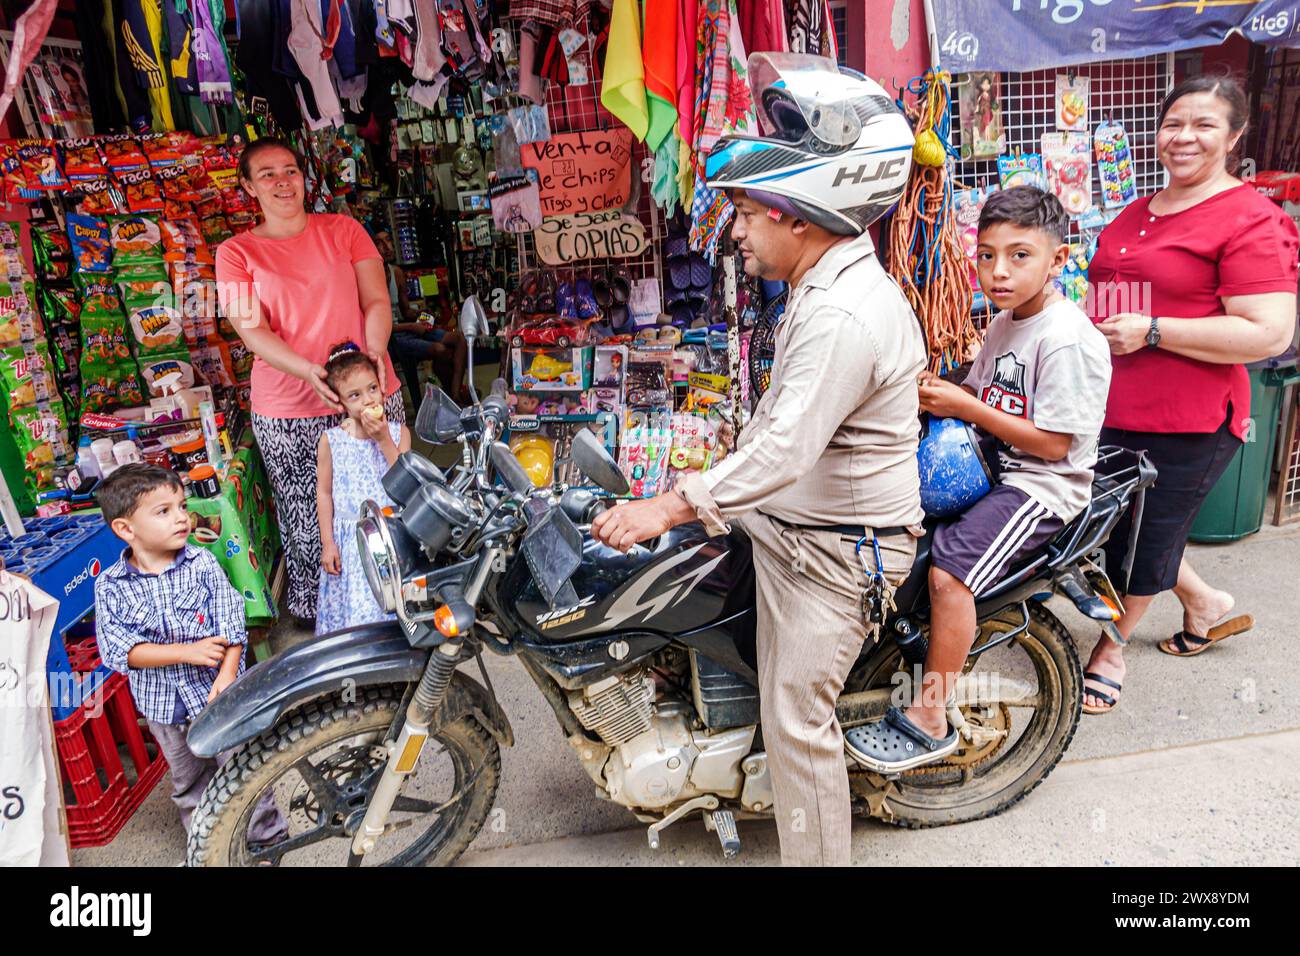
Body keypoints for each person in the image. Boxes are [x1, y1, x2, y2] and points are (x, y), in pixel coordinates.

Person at [592, 52, 918, 866]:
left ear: (801, 215)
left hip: (831, 554)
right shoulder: (817, 286)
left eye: (745, 212)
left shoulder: (841, 311)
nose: (734, 231)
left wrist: (666, 505)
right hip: (784, 525)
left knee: (796, 724)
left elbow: (783, 446)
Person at [845, 187, 1112, 769]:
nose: (999, 271)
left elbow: (1055, 444)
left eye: (1020, 256)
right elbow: (977, 390)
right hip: (986, 465)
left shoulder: (1065, 337)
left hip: (1039, 485)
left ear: (1058, 261)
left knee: (948, 577)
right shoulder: (1006, 322)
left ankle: (930, 713)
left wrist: (965, 408)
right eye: (987, 256)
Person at [1083, 75, 1298, 713]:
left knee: (1143, 536)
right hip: (1108, 404)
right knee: (1128, 521)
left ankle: (1110, 649)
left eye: (1204, 125)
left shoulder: (1250, 219)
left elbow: (1269, 333)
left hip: (1188, 420)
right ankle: (1204, 604)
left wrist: (1154, 331)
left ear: (1233, 137)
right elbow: (1110, 296)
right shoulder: (1138, 210)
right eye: (1174, 123)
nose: (1184, 137)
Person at [215, 137, 402, 627]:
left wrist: (375, 352)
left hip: (367, 390)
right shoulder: (235, 254)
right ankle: (323, 619)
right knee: (308, 518)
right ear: (247, 187)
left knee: (391, 499)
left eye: (290, 170)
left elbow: (377, 303)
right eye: (267, 174)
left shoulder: (344, 229)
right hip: (288, 405)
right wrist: (307, 371)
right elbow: (250, 328)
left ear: (304, 177)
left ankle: (397, 603)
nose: (282, 182)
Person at [93, 463, 288, 844]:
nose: (181, 518)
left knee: (243, 767)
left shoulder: (202, 564)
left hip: (217, 695)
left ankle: (268, 837)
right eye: (164, 511)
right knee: (189, 781)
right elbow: (118, 649)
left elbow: (232, 620)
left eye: (182, 506)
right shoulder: (110, 586)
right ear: (125, 529)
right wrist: (186, 651)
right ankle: (207, 844)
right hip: (165, 710)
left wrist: (228, 673)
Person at [316, 342, 412, 634]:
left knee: (395, 614)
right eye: (354, 395)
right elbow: (324, 492)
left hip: (391, 535)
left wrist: (383, 440)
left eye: (372, 389)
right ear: (340, 402)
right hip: (352, 542)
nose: (368, 400)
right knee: (358, 618)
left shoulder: (398, 433)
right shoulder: (331, 440)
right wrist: (328, 542)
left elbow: (406, 482)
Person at [375, 229, 468, 403]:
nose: (386, 247)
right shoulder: (369, 278)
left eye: (388, 240)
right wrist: (411, 326)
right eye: (379, 243)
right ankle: (451, 396)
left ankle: (455, 396)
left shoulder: (396, 273)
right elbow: (377, 325)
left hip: (405, 328)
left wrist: (421, 314)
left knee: (459, 339)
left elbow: (405, 311)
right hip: (389, 337)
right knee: (440, 350)